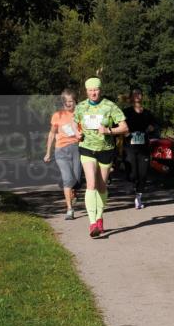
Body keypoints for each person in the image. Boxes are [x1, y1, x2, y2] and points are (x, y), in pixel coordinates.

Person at [73, 77, 128, 238]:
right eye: (90, 90)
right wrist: (76, 132)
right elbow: (73, 121)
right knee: (91, 183)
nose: (93, 93)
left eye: (95, 90)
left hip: (106, 149)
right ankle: (92, 223)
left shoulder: (110, 106)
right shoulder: (81, 107)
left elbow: (124, 127)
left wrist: (109, 131)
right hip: (87, 148)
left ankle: (99, 218)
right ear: (86, 91)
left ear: (100, 90)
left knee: (102, 186)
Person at [43, 89, 83, 220]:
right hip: (61, 150)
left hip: (77, 148)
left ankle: (74, 191)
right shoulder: (57, 115)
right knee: (67, 178)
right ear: (63, 102)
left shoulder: (80, 114)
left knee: (77, 179)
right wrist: (48, 152)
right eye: (66, 102)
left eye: (71, 101)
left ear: (75, 101)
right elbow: (52, 134)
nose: (69, 104)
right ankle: (69, 210)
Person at [123, 88, 157, 209]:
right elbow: (118, 124)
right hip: (130, 146)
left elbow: (155, 124)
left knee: (143, 173)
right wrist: (125, 132)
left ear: (142, 96)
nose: (137, 96)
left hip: (144, 146)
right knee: (133, 172)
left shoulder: (147, 113)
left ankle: (138, 197)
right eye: (135, 94)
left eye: (139, 94)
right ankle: (130, 182)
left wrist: (151, 128)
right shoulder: (126, 112)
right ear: (131, 97)